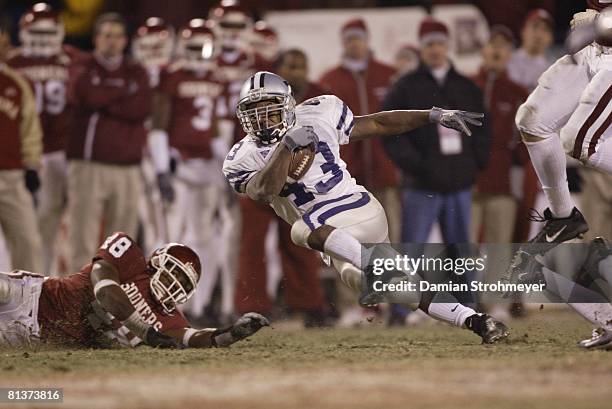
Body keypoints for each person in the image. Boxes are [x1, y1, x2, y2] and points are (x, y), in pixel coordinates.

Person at [222, 70, 509, 344]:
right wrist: (286, 148)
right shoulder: (242, 156)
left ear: (287, 105)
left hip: (357, 209)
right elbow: (263, 192)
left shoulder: (320, 112)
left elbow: (378, 124)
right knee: (389, 287)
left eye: (269, 109)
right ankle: (477, 321)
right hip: (335, 239)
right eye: (254, 112)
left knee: (301, 230)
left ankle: (390, 270)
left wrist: (431, 115)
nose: (262, 120)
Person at [0, 231, 268, 348]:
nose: (176, 283)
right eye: (174, 271)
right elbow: (105, 291)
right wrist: (144, 331)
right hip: (33, 296)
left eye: (185, 283)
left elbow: (194, 338)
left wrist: (231, 334)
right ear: (157, 261)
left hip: (30, 338)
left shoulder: (169, 318)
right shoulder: (129, 257)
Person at [508, 2, 612, 265]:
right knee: (532, 122)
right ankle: (564, 217)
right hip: (595, 48)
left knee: (580, 141)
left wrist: (603, 21)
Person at [233, 49, 328, 325]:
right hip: (260, 175)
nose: (297, 71)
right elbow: (238, 138)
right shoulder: (257, 96)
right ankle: (252, 306)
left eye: (301, 66)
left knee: (301, 242)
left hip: (300, 180)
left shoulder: (318, 95)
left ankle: (308, 305)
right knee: (252, 245)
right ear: (279, 70)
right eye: (291, 66)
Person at [381, 17, 490, 245]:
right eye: (429, 44)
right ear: (421, 48)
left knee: (460, 257)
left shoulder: (466, 87)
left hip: (460, 184)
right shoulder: (405, 87)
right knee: (412, 254)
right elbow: (390, 131)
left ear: (447, 46)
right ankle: (407, 283)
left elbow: (483, 127)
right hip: (422, 185)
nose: (435, 49)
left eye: (439, 43)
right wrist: (418, 165)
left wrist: (473, 163)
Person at [151, 19, 229, 322]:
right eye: (193, 47)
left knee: (205, 237)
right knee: (169, 236)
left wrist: (227, 171)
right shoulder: (171, 77)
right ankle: (159, 304)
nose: (199, 53)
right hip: (178, 164)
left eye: (204, 47)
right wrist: (161, 169)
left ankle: (200, 304)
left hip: (208, 166)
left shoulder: (218, 80)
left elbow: (217, 131)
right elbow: (159, 126)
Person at [66, 13, 152, 271]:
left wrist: (105, 98)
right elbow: (85, 95)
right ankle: (75, 299)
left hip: (127, 167)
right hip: (89, 164)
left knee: (121, 242)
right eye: (106, 36)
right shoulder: (82, 66)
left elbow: (141, 107)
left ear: (125, 41)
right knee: (82, 236)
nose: (112, 42)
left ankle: (116, 300)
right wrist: (121, 94)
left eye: (117, 36)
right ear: (95, 39)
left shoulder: (137, 70)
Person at [319, 18, 401, 243]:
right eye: (349, 39)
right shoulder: (329, 80)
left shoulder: (389, 75)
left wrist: (399, 161)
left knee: (390, 234)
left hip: (385, 169)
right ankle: (347, 280)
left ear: (367, 41)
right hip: (347, 174)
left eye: (358, 38)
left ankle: (393, 279)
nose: (354, 44)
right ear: (343, 43)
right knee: (349, 237)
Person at [471, 26, 529, 245]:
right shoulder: (465, 86)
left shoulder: (518, 92)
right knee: (463, 252)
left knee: (500, 251)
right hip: (469, 184)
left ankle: (496, 282)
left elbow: (529, 135)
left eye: (503, 46)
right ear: (483, 51)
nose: (497, 50)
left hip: (503, 186)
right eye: (492, 44)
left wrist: (516, 165)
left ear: (510, 54)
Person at [0, 23, 44, 274]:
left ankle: (30, 309)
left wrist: (31, 166)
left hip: (11, 176)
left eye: (5, 44)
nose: (2, 49)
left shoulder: (17, 83)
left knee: (27, 241)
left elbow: (30, 130)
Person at [507, 9, 554, 92]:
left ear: (550, 38)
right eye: (535, 26)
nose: (539, 34)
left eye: (545, 29)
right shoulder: (506, 61)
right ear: (523, 30)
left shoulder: (553, 70)